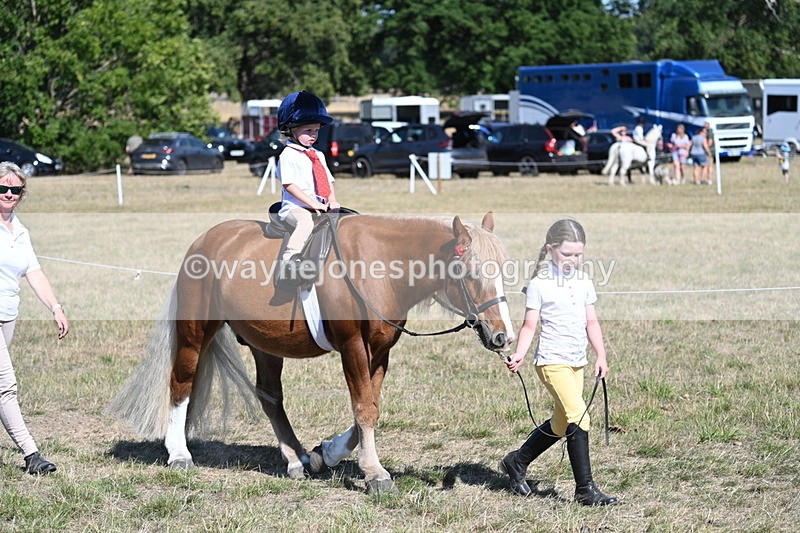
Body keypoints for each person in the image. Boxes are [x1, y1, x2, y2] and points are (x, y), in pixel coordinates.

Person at [499, 218, 617, 507]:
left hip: (577, 361)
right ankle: (585, 490)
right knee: (580, 416)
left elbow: (592, 322)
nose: (573, 260)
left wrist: (600, 355)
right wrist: (520, 353)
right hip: (551, 362)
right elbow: (529, 326)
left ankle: (516, 461)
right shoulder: (540, 284)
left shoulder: (585, 281)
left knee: (561, 422)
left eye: (578, 254)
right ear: (551, 249)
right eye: (567, 254)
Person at [0, 162, 69, 475]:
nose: (10, 194)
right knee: (5, 386)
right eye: (3, 188)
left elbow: (33, 270)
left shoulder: (20, 230)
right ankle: (32, 456)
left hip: (8, 314)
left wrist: (55, 307)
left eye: (16, 189)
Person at [276, 90, 340, 275]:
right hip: (295, 208)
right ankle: (290, 259)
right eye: (308, 131)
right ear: (291, 130)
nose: (314, 135)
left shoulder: (318, 154)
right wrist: (312, 204)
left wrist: (332, 200)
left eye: (317, 130)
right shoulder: (288, 155)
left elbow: (328, 181)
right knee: (305, 223)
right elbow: (289, 185)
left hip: (319, 206)